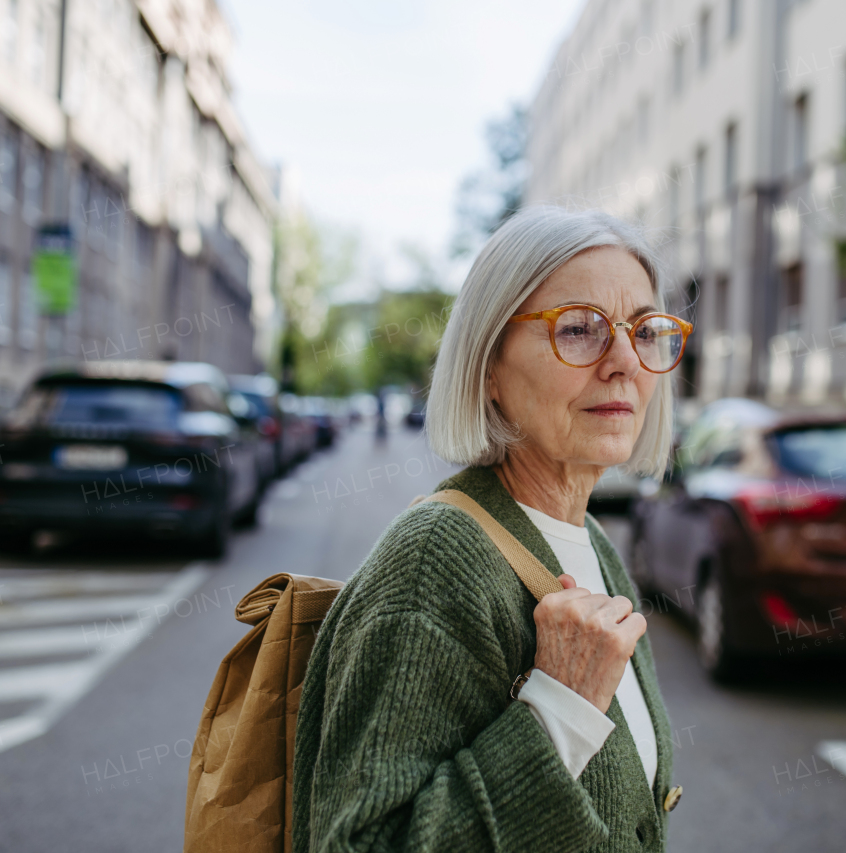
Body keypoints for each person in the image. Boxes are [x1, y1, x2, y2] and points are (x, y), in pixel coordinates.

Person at [293, 206, 692, 853]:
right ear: (488, 366)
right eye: (582, 327)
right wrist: (558, 709)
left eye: (646, 330)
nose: (625, 360)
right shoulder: (434, 557)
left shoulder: (590, 539)